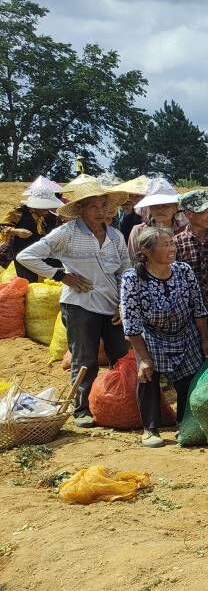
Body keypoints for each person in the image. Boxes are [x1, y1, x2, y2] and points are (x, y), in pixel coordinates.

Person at [17, 180, 131, 426]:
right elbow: (26, 256)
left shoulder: (115, 236)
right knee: (84, 358)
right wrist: (61, 276)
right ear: (81, 209)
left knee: (120, 355)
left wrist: (122, 302)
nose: (100, 211)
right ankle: (81, 409)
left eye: (103, 205)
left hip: (112, 304)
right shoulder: (67, 233)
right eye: (93, 206)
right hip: (80, 304)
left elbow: (125, 270)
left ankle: (118, 403)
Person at [120, 227, 208, 448]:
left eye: (172, 243)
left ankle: (184, 423)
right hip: (152, 335)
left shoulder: (183, 270)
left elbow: (198, 308)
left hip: (185, 332)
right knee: (148, 377)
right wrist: (143, 358)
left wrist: (205, 340)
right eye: (165, 244)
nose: (172, 248)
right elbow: (131, 322)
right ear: (146, 251)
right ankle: (150, 429)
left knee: (188, 381)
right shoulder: (132, 279)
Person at [2, 177, 63, 282]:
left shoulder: (52, 217)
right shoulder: (18, 213)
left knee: (54, 279)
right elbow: (2, 227)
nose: (46, 210)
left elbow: (60, 231)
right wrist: (16, 231)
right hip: (22, 254)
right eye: (44, 207)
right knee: (28, 282)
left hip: (44, 253)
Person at [129, 178, 185, 261]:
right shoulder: (138, 231)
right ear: (149, 209)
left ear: (175, 208)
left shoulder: (184, 231)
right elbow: (133, 261)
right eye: (155, 206)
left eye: (165, 205)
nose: (160, 210)